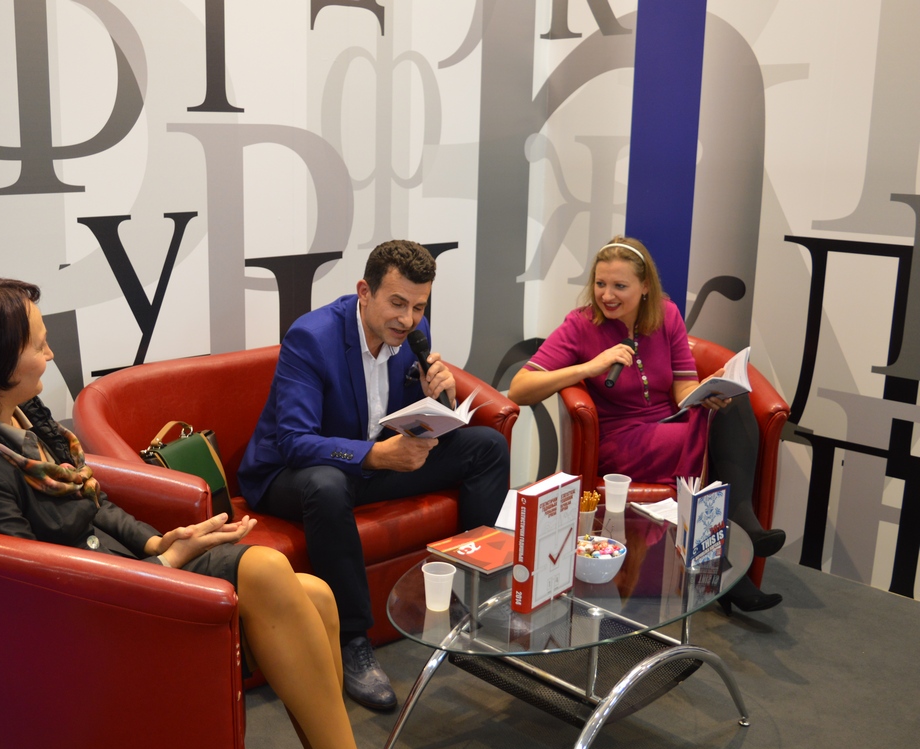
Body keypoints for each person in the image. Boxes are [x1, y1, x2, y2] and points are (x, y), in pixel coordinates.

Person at [0, 274, 378, 749]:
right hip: (96, 617)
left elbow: (92, 503)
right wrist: (166, 567)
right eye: (37, 346)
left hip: (124, 574)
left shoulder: (21, 417)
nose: (50, 354)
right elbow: (38, 599)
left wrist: (158, 544)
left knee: (316, 595)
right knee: (268, 568)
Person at [238, 240, 511, 709]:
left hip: (370, 464)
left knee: (486, 446)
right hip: (291, 474)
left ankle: (478, 594)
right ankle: (352, 641)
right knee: (327, 485)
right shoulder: (312, 337)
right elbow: (295, 441)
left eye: (419, 307)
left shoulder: (412, 334)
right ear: (364, 292)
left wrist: (437, 396)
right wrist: (378, 456)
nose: (408, 319)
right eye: (397, 303)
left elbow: (416, 418)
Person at [507, 235, 787, 615]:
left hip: (671, 423)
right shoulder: (580, 325)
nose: (607, 295)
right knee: (712, 437)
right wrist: (588, 367)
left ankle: (730, 556)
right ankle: (737, 547)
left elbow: (683, 387)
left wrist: (706, 390)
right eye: (600, 283)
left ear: (644, 288)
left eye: (619, 286)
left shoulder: (666, 316)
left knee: (733, 404)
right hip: (621, 440)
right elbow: (520, 389)